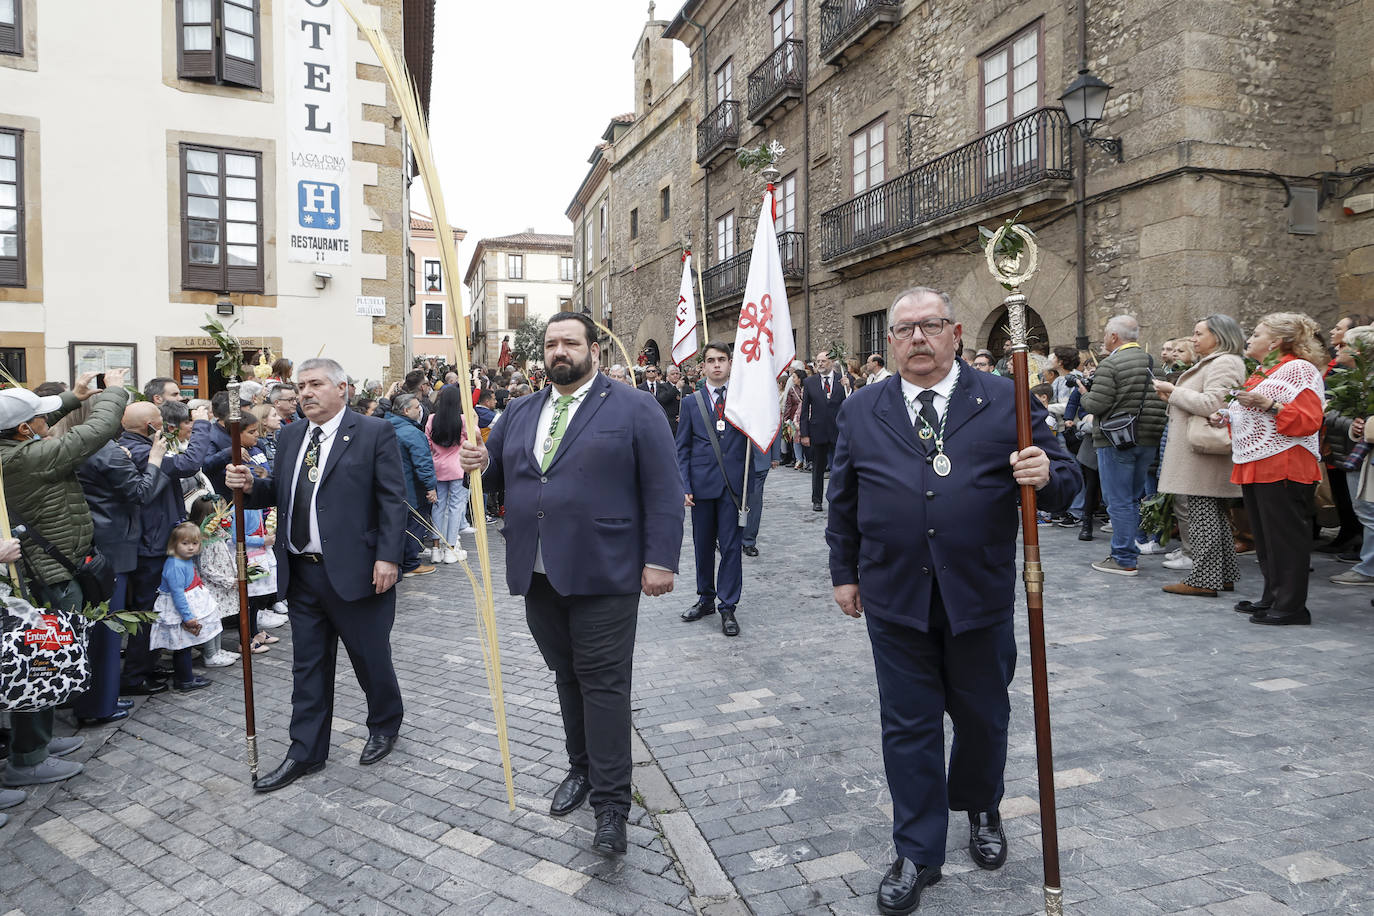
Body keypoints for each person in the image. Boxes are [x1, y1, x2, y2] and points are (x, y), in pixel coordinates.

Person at [827, 287, 1079, 914]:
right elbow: (844, 500)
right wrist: (844, 572)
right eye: (905, 329)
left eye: (931, 326)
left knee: (983, 716)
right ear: (888, 341)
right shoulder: (863, 408)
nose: (918, 338)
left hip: (979, 593)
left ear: (956, 332)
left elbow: (1068, 478)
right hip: (895, 595)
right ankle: (917, 850)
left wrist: (1046, 475)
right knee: (907, 728)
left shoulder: (1005, 400)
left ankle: (980, 802)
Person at [457, 312, 682, 856]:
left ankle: (611, 806)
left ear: (594, 352)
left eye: (571, 343)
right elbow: (496, 483)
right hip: (537, 571)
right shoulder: (520, 409)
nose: (560, 351)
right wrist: (477, 463)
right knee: (567, 674)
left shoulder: (634, 407)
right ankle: (580, 768)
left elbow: (664, 487)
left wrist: (661, 560)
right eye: (552, 343)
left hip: (606, 571)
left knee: (604, 684)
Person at [225, 358, 408, 791]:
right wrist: (250, 485)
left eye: (316, 384)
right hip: (302, 574)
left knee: (370, 657)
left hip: (358, 572)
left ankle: (384, 723)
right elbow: (282, 493)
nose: (306, 393)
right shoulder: (289, 436)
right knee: (307, 667)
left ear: (342, 387)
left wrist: (388, 557)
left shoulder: (373, 433)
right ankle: (305, 751)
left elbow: (393, 500)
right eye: (300, 386)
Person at [0, 371, 131, 788]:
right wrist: (115, 391)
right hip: (49, 574)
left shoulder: (14, 447)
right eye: (40, 420)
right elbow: (97, 431)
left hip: (50, 568)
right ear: (24, 430)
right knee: (39, 659)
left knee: (44, 656)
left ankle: (36, 741)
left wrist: (73, 398)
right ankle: (28, 758)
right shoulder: (26, 458)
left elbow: (50, 419)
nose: (47, 423)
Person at [1210, 313, 1326, 625]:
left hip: (1285, 464)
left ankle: (1291, 606)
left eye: (1257, 334)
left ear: (1275, 341)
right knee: (1265, 537)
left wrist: (1269, 405)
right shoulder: (1264, 371)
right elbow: (1254, 419)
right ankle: (1273, 596)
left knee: (1284, 538)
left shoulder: (1298, 369)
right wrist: (1227, 417)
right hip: (1260, 462)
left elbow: (1309, 420)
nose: (1249, 339)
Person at [74, 417, 169, 724]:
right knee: (107, 630)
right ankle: (99, 705)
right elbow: (141, 492)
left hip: (102, 541)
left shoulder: (84, 445)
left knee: (103, 631)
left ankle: (105, 697)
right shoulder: (105, 451)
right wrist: (154, 459)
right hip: (112, 545)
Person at [119, 401, 216, 697]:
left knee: (156, 609)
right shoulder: (139, 451)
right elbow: (188, 464)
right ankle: (134, 676)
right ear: (149, 426)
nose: (165, 424)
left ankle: (147, 666)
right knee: (148, 611)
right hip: (151, 543)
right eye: (160, 420)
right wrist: (201, 424)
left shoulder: (144, 444)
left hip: (157, 535)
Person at [1151, 315, 1247, 598]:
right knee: (1212, 515)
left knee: (1202, 514)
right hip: (1199, 451)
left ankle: (1205, 579)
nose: (1193, 338)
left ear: (1219, 336)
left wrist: (1173, 391)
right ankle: (1224, 575)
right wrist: (1173, 397)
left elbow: (1214, 403)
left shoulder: (1225, 362)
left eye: (1199, 333)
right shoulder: (1217, 362)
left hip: (1203, 453)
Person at [1079, 315, 1168, 576]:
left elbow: (1097, 405)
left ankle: (1123, 556)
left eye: (1106, 334)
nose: (1104, 340)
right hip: (1149, 437)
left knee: (1117, 500)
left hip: (1116, 439)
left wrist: (1085, 396)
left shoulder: (1112, 364)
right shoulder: (1154, 363)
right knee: (1133, 496)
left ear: (1114, 337)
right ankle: (1131, 547)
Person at [675, 342, 748, 637]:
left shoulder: (744, 398)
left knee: (731, 548)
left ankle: (727, 605)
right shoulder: (691, 402)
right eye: (710, 360)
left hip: (733, 488)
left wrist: (751, 485)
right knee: (703, 547)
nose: (716, 365)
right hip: (702, 486)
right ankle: (705, 598)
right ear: (702, 366)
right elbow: (682, 447)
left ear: (730, 363)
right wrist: (684, 485)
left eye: (721, 360)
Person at [1326, 324, 1374, 586]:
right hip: (1356, 451)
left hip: (1367, 455)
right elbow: (1331, 409)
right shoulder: (1352, 379)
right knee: (1364, 509)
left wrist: (1363, 426)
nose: (1337, 347)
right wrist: (1354, 426)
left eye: (1345, 345)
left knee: (1368, 510)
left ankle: (1369, 568)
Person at [149, 522, 220, 691]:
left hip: (185, 608)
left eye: (194, 544)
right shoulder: (175, 565)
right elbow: (178, 595)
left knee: (185, 646)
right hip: (178, 612)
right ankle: (185, 680)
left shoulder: (186, 560)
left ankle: (185, 677)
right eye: (185, 543)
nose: (190, 548)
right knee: (182, 647)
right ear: (174, 544)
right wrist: (187, 617)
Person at [387, 393, 439, 578]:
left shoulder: (386, 426)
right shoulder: (412, 433)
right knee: (415, 525)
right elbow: (423, 463)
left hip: (392, 487)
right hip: (411, 489)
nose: (420, 410)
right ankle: (410, 563)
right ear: (406, 410)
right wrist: (430, 487)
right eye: (417, 407)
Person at [426, 385, 472, 565]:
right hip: (458, 468)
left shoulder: (431, 419)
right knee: (455, 508)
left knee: (438, 507)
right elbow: (472, 439)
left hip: (437, 467)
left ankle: (436, 548)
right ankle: (451, 549)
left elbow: (428, 444)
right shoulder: (462, 420)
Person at [799, 349, 847, 512]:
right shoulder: (810, 382)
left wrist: (849, 387)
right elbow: (805, 410)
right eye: (818, 361)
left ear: (831, 362)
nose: (819, 364)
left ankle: (838, 498)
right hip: (817, 431)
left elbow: (851, 403)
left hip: (838, 431)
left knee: (839, 467)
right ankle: (817, 500)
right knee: (818, 469)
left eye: (823, 361)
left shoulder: (843, 380)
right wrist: (804, 434)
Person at [639, 364, 681, 433]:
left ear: (656, 373)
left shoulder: (662, 386)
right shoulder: (640, 387)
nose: (651, 373)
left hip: (661, 418)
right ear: (646, 374)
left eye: (653, 371)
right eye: (649, 371)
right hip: (646, 417)